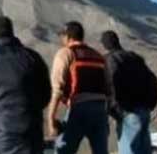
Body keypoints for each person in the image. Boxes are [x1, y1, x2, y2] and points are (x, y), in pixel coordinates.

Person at [0, 16, 52, 154]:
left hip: (1, 130)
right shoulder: (32, 57)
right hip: (30, 128)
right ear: (12, 31)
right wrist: (32, 110)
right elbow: (46, 92)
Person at [48, 21, 112, 154]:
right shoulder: (98, 56)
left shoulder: (66, 53)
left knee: (63, 150)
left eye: (62, 36)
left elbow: (57, 89)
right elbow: (108, 88)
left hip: (79, 108)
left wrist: (51, 118)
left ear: (68, 37)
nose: (62, 39)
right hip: (100, 109)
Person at [101, 30, 157, 154]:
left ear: (105, 44)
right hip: (144, 111)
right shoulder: (135, 57)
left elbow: (111, 83)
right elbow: (152, 79)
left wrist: (116, 110)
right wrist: (150, 105)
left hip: (128, 113)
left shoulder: (111, 60)